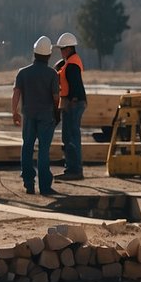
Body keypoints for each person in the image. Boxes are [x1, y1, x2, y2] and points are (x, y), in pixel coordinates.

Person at [12, 36, 61, 195]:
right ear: (49, 55)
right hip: (46, 116)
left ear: (34, 53)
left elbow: (16, 94)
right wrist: (57, 112)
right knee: (43, 150)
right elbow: (56, 97)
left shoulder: (23, 73)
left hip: (28, 115)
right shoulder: (52, 74)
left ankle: (28, 183)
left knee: (27, 147)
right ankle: (45, 186)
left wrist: (15, 112)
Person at [54, 31, 87, 180]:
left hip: (74, 103)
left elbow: (75, 85)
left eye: (62, 49)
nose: (61, 52)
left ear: (68, 48)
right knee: (69, 136)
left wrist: (72, 101)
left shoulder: (72, 64)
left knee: (71, 137)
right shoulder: (70, 62)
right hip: (73, 102)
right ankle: (72, 168)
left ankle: (74, 170)